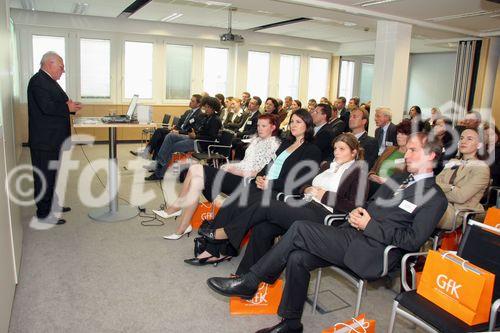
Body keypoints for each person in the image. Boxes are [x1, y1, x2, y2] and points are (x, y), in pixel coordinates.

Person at [206, 133, 448, 333]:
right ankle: (290, 323)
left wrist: (369, 225)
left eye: (412, 150)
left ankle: (251, 281)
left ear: (431, 156)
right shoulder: (400, 178)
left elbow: (413, 241)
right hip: (351, 234)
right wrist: (359, 216)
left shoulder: (435, 198)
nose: (405, 154)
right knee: (297, 257)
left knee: (299, 229)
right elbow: (370, 205)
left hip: (374, 253)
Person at [197, 133, 368, 274]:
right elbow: (305, 185)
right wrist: (308, 189)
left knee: (266, 204)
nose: (337, 152)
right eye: (335, 148)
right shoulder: (328, 167)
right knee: (263, 227)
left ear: (353, 153)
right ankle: (245, 276)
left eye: (342, 149)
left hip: (322, 215)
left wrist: (324, 195)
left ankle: (227, 232)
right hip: (303, 204)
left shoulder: (358, 172)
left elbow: (355, 206)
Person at [186, 109, 321, 265]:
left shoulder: (312, 150)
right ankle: (214, 250)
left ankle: (219, 242)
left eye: (298, 122)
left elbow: (299, 182)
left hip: (280, 192)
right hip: (264, 184)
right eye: (291, 121)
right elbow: (269, 165)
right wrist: (259, 177)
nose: (293, 125)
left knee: (247, 198)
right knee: (236, 197)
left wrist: (270, 184)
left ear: (308, 125)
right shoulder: (286, 143)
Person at [154, 114, 281, 239]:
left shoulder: (274, 145)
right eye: (258, 125)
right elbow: (246, 163)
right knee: (196, 182)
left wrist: (237, 171)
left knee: (196, 169)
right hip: (237, 175)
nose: (259, 128)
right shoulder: (257, 140)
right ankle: (183, 227)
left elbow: (264, 173)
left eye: (263, 126)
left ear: (273, 127)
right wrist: (231, 166)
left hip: (248, 182)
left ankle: (176, 207)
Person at [28, 51, 82, 225]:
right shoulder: (38, 82)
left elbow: (61, 102)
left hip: (53, 139)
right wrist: (67, 107)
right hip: (45, 141)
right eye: (61, 66)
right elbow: (46, 107)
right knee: (44, 176)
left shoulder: (49, 81)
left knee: (52, 175)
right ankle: (44, 214)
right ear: (49, 64)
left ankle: (52, 205)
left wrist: (71, 107)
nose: (63, 70)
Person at [145, 97, 222, 181]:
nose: (205, 109)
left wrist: (196, 136)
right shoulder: (206, 117)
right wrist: (193, 133)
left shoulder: (215, 120)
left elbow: (211, 137)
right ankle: (160, 164)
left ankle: (159, 171)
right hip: (194, 138)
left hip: (200, 143)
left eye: (208, 107)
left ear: (213, 108)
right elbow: (200, 131)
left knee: (172, 147)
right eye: (205, 107)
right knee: (170, 136)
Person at [436, 128, 490, 230]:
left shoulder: (482, 169)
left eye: (469, 139)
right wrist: (452, 188)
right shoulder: (453, 161)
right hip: (438, 204)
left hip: (455, 213)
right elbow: (434, 184)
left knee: (419, 210)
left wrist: (441, 188)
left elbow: (461, 197)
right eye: (461, 138)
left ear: (479, 145)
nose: (463, 141)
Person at [134, 94, 203, 160]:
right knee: (159, 131)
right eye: (190, 100)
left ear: (198, 104)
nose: (190, 102)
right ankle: (151, 156)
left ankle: (154, 159)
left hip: (183, 134)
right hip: (177, 130)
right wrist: (175, 127)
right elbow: (180, 123)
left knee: (162, 137)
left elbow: (192, 131)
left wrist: (178, 131)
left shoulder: (200, 115)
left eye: (193, 101)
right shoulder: (188, 112)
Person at [368, 119, 411, 197]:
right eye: (398, 133)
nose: (399, 136)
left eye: (403, 134)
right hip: (373, 184)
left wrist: (387, 181)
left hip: (389, 192)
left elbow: (406, 182)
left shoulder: (411, 157)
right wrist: (371, 175)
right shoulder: (390, 149)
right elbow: (373, 168)